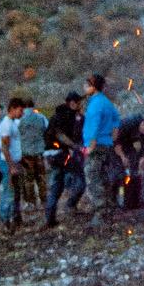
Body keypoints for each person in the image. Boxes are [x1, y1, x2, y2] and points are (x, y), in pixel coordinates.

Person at [44, 91, 87, 228]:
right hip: (61, 154)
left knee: (57, 185)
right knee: (80, 179)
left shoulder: (64, 115)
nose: (80, 105)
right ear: (72, 103)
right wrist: (75, 147)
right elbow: (60, 135)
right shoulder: (64, 116)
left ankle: (50, 217)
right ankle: (70, 205)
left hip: (53, 155)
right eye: (78, 102)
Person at [82, 73, 122, 209]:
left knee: (92, 177)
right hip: (106, 144)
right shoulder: (107, 102)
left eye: (87, 85)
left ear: (93, 87)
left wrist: (91, 146)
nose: (85, 87)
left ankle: (100, 210)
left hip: (96, 144)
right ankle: (110, 204)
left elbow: (93, 125)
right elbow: (117, 120)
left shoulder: (95, 104)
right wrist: (113, 137)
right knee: (103, 175)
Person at [112, 113, 144, 209]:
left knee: (135, 173)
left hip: (129, 145)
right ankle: (117, 201)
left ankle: (133, 202)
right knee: (119, 174)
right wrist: (122, 157)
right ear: (142, 123)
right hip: (115, 145)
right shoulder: (127, 123)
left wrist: (143, 158)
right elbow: (116, 142)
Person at [16, 97, 50, 213]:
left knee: (28, 180)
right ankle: (44, 201)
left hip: (26, 154)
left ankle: (31, 203)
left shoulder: (19, 119)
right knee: (41, 178)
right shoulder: (41, 117)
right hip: (39, 152)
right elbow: (47, 130)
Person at [0, 97, 25, 227]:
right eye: (20, 110)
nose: (22, 113)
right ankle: (5, 219)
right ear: (12, 109)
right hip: (8, 163)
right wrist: (11, 166)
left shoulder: (13, 123)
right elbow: (4, 147)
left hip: (16, 162)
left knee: (16, 192)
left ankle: (15, 218)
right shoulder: (6, 125)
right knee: (8, 192)